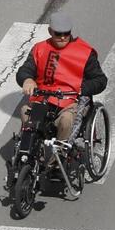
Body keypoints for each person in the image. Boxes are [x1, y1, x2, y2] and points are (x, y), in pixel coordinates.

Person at [15, 13, 108, 159]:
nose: (63, 37)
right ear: (50, 31)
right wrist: (27, 79)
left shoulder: (85, 53)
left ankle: (57, 160)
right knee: (25, 111)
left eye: (66, 33)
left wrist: (81, 88)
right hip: (43, 99)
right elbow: (26, 70)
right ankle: (27, 155)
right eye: (58, 34)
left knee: (66, 120)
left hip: (71, 101)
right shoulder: (39, 49)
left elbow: (100, 80)